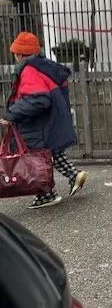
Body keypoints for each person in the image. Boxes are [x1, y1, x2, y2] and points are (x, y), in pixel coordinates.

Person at [0, 32, 87, 209]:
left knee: (36, 158)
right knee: (49, 154)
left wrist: (12, 114)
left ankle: (47, 194)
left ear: (18, 54)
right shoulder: (44, 67)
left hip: (39, 124)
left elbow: (38, 99)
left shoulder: (30, 71)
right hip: (50, 121)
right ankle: (71, 176)